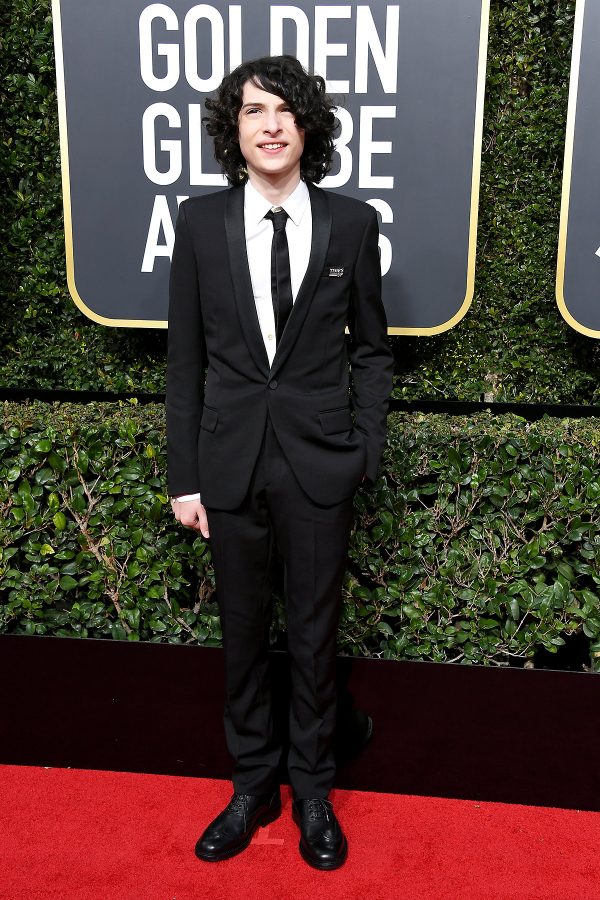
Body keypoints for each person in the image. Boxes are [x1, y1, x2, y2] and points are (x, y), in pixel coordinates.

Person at [166, 55, 393, 870]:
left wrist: (364, 448)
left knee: (313, 637)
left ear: (308, 127)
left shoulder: (351, 223)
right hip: (228, 464)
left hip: (319, 465)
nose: (270, 125)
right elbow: (185, 362)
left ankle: (314, 791)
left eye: (286, 111)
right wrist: (185, 478)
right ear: (233, 129)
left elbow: (372, 351)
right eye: (254, 111)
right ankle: (252, 784)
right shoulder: (199, 223)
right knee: (240, 636)